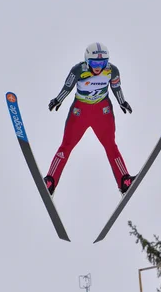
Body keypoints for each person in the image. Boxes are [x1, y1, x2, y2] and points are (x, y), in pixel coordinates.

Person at [43, 42, 135, 195]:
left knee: (111, 145)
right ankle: (50, 180)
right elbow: (68, 87)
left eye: (102, 63)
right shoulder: (78, 70)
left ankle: (124, 180)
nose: (98, 67)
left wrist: (122, 102)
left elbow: (116, 88)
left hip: (102, 111)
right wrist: (58, 100)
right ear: (87, 60)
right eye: (94, 62)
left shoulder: (112, 71)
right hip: (80, 111)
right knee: (66, 145)